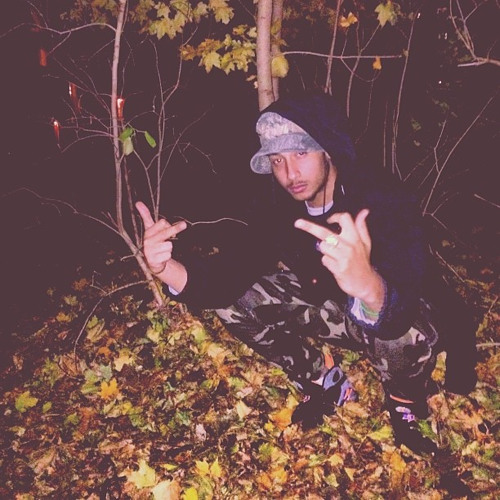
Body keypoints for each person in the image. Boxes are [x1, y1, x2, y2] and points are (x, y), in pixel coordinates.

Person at [136, 92, 477, 455]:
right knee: (234, 302)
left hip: (403, 313)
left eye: (300, 153)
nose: (290, 173)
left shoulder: (382, 196)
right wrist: (166, 269)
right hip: (338, 312)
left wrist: (368, 284)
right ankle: (324, 378)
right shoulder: (277, 206)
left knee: (400, 336)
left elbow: (405, 300)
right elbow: (227, 279)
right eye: (277, 160)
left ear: (327, 150)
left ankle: (403, 401)